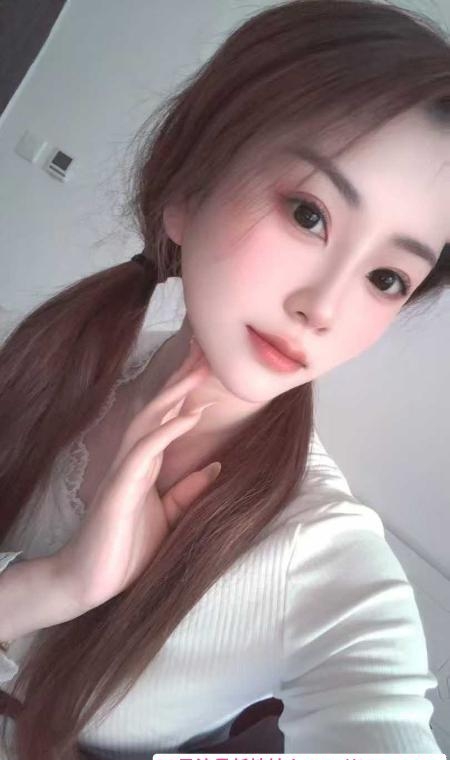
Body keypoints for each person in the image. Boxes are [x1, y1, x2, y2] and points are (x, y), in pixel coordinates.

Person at [0, 0, 449, 757]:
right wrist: (58, 585)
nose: (323, 308)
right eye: (309, 214)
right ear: (188, 192)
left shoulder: (324, 561)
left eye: (386, 277)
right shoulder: (62, 356)